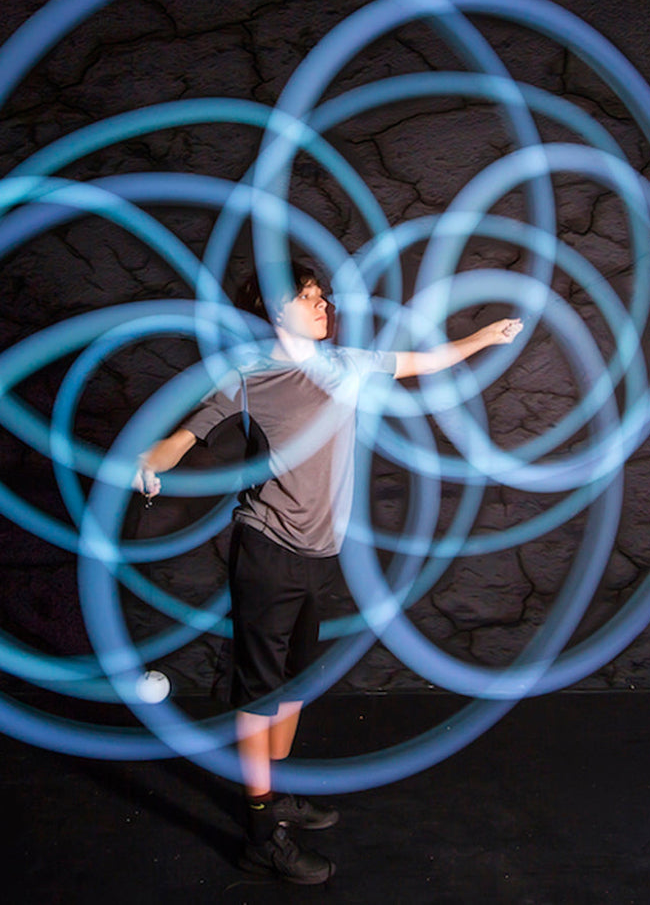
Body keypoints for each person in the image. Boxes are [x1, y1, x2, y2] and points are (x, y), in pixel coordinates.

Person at [135, 262, 522, 885]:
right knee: (260, 695)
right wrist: (153, 458)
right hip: (267, 550)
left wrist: (482, 339)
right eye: (306, 298)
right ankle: (260, 833)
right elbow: (188, 434)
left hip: (321, 554)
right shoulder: (250, 376)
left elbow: (424, 362)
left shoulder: (347, 363)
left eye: (322, 296)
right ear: (274, 311)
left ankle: (277, 795)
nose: (322, 306)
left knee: (293, 684)